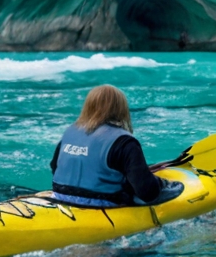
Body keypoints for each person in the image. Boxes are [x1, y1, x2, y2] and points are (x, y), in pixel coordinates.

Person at [49, 85, 179, 207]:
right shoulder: (123, 142)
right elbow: (147, 193)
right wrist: (160, 184)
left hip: (59, 197)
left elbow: (55, 167)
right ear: (121, 108)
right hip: (102, 203)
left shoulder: (70, 132)